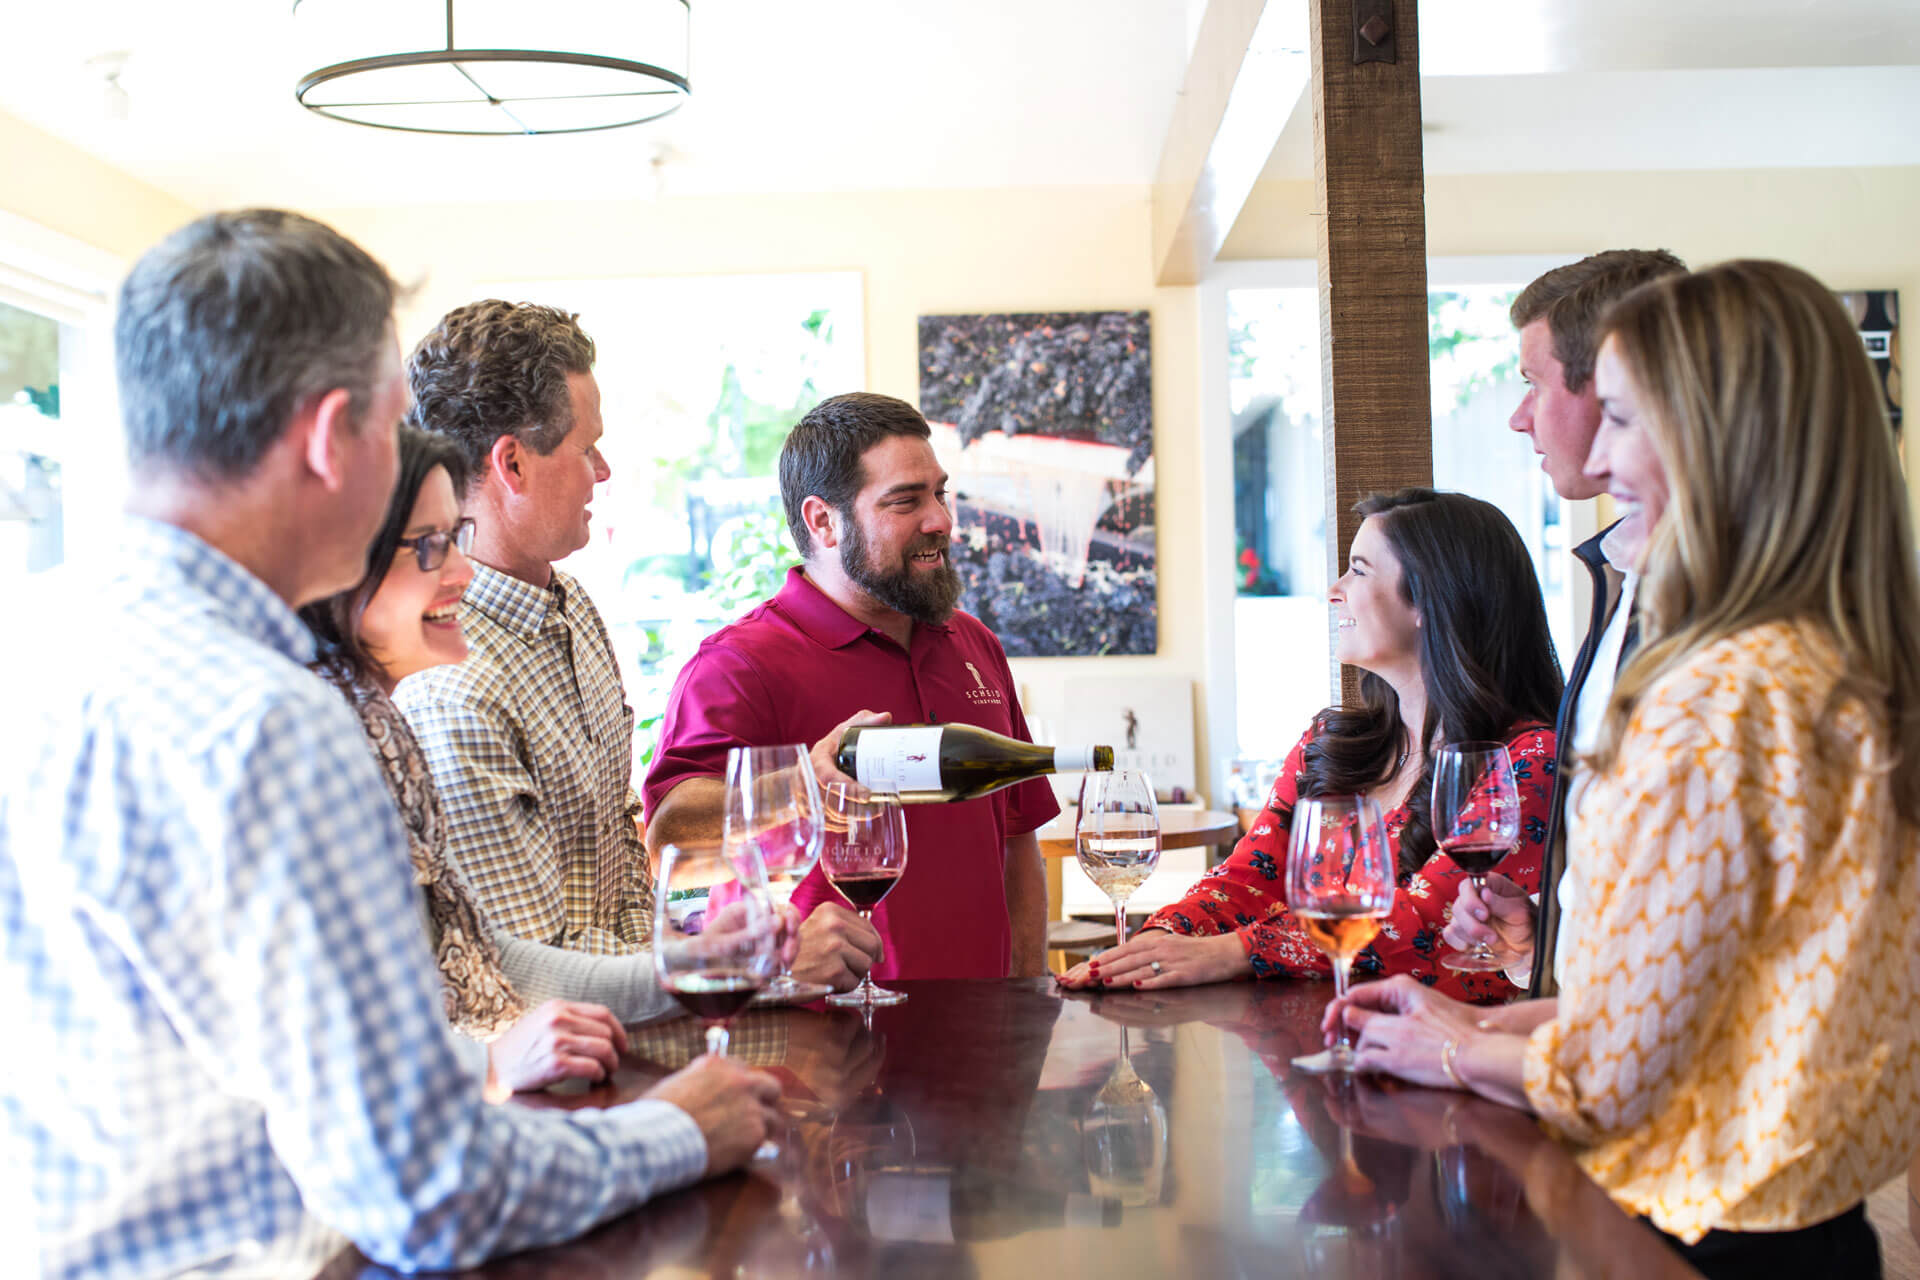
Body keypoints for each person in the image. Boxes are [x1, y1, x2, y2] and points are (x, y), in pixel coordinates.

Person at [0, 210, 780, 1279]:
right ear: (332, 438)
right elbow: (425, 1187)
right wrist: (683, 1128)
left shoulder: (31, 646)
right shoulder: (272, 720)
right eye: (395, 423)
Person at [1332, 260, 1920, 1278]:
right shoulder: (1834, 665)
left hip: (1699, 1231)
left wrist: (1447, 1050)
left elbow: (1613, 1077)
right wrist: (1489, 1015)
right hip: (1815, 1232)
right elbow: (1729, 1002)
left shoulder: (1723, 692)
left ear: (1720, 442)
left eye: (1623, 419)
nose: (1599, 457)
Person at [396, 301, 875, 990]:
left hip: (637, 1051)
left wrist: (713, 929)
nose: (604, 470)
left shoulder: (574, 610)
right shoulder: (450, 682)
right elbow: (532, 976)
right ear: (513, 465)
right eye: (585, 447)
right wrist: (756, 967)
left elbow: (620, 872)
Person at [301, 426, 787, 1091]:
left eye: (457, 542)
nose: (463, 574)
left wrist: (699, 962)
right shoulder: (312, 747)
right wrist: (491, 1065)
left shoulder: (380, 731)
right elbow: (315, 1050)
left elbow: (487, 957)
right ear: (343, 561)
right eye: (432, 547)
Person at [1058, 488, 1562, 1004]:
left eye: (1359, 570)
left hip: (1448, 1056)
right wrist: (1161, 940)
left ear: (1430, 601)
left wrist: (1233, 952)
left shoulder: (1524, 760)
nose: (1333, 591)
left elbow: (1426, 922)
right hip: (1317, 1044)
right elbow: (1247, 878)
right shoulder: (1332, 744)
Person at [644, 392, 1057, 980]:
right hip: (818, 1050)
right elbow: (671, 845)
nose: (940, 519)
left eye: (939, 493)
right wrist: (800, 787)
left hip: (987, 1043)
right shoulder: (738, 665)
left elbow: (1017, 846)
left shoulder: (974, 644)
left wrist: (1027, 1009)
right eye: (905, 501)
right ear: (823, 522)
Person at [1447, 249, 1687, 997]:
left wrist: (1462, 1047)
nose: (1519, 419)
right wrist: (1535, 951)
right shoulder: (1621, 579)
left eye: (1532, 384)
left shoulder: (1728, 626)